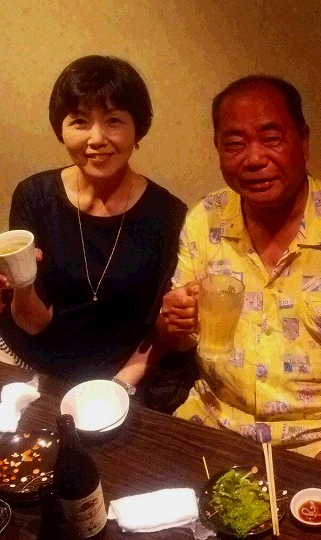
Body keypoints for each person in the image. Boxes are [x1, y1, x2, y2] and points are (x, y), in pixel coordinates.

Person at [158, 75, 321, 470]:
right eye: (235, 144)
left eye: (271, 139)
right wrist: (171, 324)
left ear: (303, 141)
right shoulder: (204, 219)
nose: (254, 159)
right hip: (215, 422)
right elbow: (179, 336)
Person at [0, 56, 186, 385]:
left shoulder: (168, 214)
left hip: (114, 380)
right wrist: (21, 283)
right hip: (25, 362)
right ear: (61, 129)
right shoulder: (34, 195)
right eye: (80, 121)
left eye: (113, 120)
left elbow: (160, 329)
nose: (96, 138)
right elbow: (33, 323)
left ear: (137, 128)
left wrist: (119, 387)